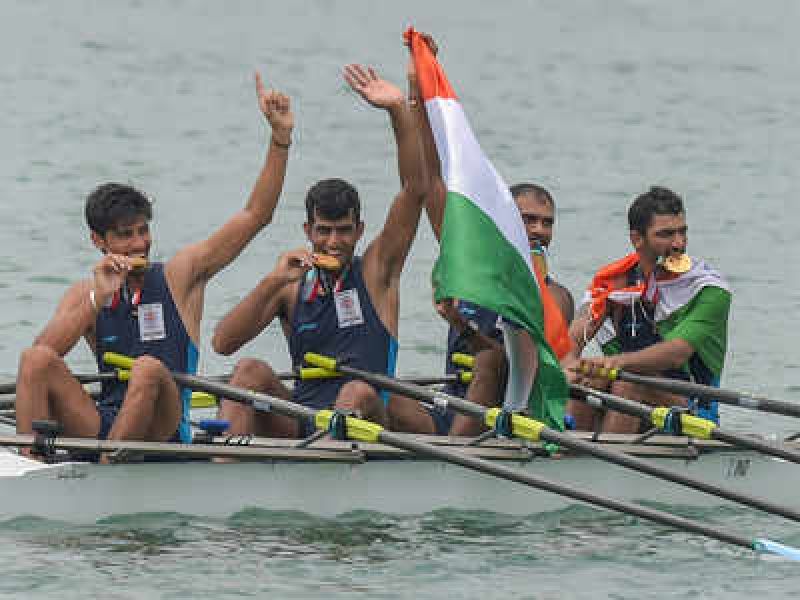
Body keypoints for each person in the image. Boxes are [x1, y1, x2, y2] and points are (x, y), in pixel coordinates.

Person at [15, 72, 294, 450]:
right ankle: (31, 463)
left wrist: (280, 138)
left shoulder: (180, 276)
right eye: (125, 235)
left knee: (147, 368)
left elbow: (255, 216)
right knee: (34, 359)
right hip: (104, 421)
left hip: (165, 429)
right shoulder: (86, 294)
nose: (139, 244)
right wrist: (98, 299)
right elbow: (41, 359)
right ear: (99, 241)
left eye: (142, 231)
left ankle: (110, 464)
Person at [212, 63, 426, 438]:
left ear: (359, 231)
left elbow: (415, 190)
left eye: (344, 231)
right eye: (323, 231)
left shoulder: (377, 271)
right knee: (248, 371)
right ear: (308, 231)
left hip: (368, 417)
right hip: (305, 421)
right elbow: (222, 343)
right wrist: (273, 280)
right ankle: (225, 463)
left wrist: (398, 111)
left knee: (355, 390)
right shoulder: (291, 286)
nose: (333, 242)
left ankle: (326, 458)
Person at [388, 34, 573, 436]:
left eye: (547, 223)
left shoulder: (554, 296)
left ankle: (450, 460)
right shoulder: (472, 266)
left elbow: (508, 361)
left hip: (508, 421)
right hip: (456, 407)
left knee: (489, 361)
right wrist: (419, 89)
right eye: (528, 221)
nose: (539, 231)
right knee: (375, 392)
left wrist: (461, 324)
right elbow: (430, 180)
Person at [563, 186, 731, 433]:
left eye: (682, 232)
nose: (679, 244)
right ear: (637, 239)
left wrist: (614, 363)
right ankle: (570, 449)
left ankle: (607, 454)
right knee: (585, 377)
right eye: (666, 235)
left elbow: (676, 353)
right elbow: (571, 343)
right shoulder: (614, 281)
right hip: (624, 395)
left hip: (692, 407)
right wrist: (568, 370)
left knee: (628, 383)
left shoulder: (709, 289)